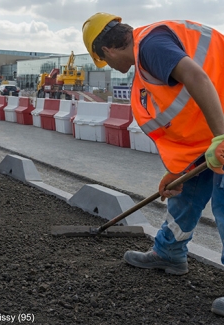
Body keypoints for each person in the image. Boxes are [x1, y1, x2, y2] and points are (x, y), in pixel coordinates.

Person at [82, 12, 224, 316]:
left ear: (107, 50)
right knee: (185, 193)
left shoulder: (150, 46)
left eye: (105, 62)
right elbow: (188, 110)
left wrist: (222, 137)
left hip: (221, 128)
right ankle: (169, 252)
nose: (112, 68)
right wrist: (178, 169)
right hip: (212, 128)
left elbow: (197, 77)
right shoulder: (150, 52)